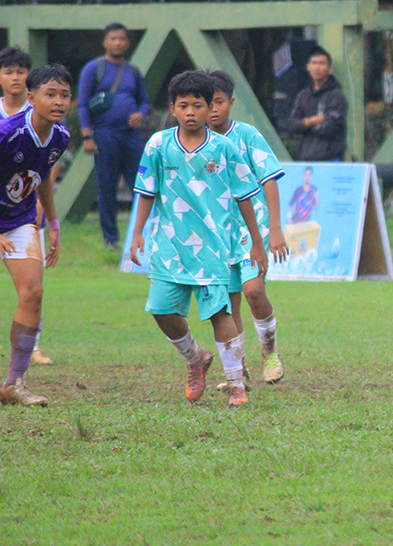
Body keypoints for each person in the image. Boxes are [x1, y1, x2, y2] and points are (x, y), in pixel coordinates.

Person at [130, 71, 266, 408]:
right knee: (161, 310)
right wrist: (136, 233)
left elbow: (245, 195)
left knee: (221, 313)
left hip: (212, 248)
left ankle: (236, 384)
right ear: (172, 108)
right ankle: (195, 358)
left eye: (198, 105)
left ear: (209, 109)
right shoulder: (158, 145)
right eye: (184, 105)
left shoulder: (225, 148)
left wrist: (257, 242)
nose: (191, 112)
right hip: (168, 245)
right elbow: (146, 191)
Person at [208, 70, 288, 386]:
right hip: (216, 231)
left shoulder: (247, 136)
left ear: (231, 103)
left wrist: (277, 228)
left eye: (219, 102)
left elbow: (268, 178)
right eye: (207, 103)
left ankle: (269, 354)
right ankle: (237, 370)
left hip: (252, 227)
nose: (213, 109)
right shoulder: (197, 141)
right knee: (229, 303)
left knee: (254, 290)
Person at [0, 64, 72, 406]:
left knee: (33, 292)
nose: (59, 102)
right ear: (31, 98)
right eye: (51, 94)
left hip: (19, 219)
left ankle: (13, 384)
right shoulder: (7, 132)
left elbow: (40, 177)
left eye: (65, 96)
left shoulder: (60, 137)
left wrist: (53, 224)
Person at [0, 47, 55, 365]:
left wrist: (44, 208)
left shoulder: (44, 114)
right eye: (9, 71)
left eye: (21, 71)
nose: (16, 77)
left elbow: (48, 164)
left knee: (33, 284)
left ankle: (32, 346)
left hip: (25, 208)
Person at [78, 23, 151, 249]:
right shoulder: (94, 68)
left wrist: (141, 114)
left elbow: (145, 102)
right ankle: (111, 239)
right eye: (113, 38)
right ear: (105, 42)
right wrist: (87, 136)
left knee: (141, 183)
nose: (118, 42)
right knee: (106, 185)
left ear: (128, 43)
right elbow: (82, 104)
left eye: (122, 39)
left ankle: (144, 234)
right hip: (104, 134)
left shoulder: (133, 71)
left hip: (131, 136)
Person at [288, 46, 348, 161]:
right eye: (314, 63)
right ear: (308, 67)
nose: (317, 67)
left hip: (331, 160)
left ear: (329, 68)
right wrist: (314, 120)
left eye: (321, 63)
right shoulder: (303, 96)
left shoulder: (337, 96)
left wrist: (304, 124)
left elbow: (329, 127)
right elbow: (292, 125)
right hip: (305, 159)